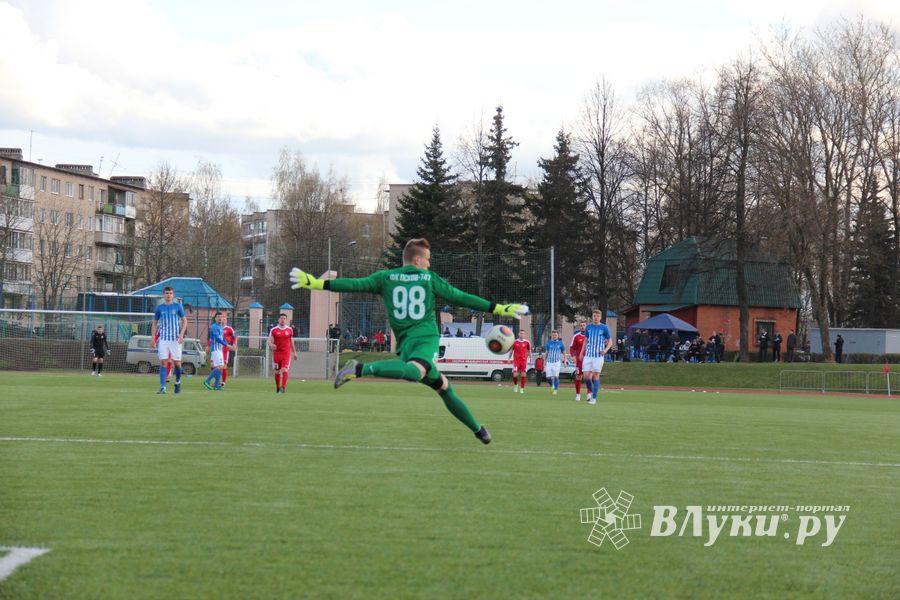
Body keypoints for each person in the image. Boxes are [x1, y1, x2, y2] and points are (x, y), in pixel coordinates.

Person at [290, 237, 527, 444]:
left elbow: (354, 283)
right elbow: (461, 297)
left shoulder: (386, 277)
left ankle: (478, 430)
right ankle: (360, 368)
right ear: (417, 261)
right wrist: (499, 308)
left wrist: (317, 283)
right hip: (425, 339)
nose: (429, 263)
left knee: (443, 386)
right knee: (416, 373)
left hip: (405, 344)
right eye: (428, 259)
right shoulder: (428, 278)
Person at [150, 286, 187, 394]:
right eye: (166, 293)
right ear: (163, 295)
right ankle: (163, 387)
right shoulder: (159, 308)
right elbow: (154, 323)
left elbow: (185, 321)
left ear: (173, 295)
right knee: (163, 363)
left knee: (177, 364)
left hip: (175, 340)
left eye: (170, 293)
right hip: (164, 340)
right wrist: (153, 338)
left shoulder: (178, 306)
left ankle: (178, 382)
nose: (168, 295)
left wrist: (181, 335)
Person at [579, 309, 613, 405]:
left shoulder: (604, 328)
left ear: (600, 317)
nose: (596, 318)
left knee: (595, 376)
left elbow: (610, 342)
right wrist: (582, 352)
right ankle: (594, 392)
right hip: (588, 355)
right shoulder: (588, 327)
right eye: (594, 316)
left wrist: (605, 350)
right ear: (592, 317)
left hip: (598, 356)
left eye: (597, 316)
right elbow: (586, 340)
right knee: (585, 376)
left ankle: (593, 398)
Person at [204, 312, 237, 390]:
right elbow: (217, 339)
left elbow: (223, 338)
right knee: (220, 367)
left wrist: (229, 345)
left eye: (221, 317)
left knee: (221, 367)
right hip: (215, 349)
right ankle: (207, 381)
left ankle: (216, 385)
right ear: (215, 318)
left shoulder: (221, 327)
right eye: (218, 317)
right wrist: (227, 345)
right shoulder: (214, 327)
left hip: (220, 350)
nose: (220, 318)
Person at [268, 313, 298, 393]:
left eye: (284, 318)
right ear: (278, 319)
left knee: (284, 370)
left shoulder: (289, 330)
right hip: (277, 354)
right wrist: (271, 344)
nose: (282, 320)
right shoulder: (273, 330)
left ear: (286, 320)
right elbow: (269, 340)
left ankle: (283, 388)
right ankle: (278, 388)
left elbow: (291, 341)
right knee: (277, 372)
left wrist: (294, 352)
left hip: (286, 353)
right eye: (281, 318)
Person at [543, 330, 568, 396]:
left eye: (556, 335)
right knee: (548, 377)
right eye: (553, 335)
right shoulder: (548, 343)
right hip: (549, 362)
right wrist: (544, 361)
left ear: (558, 336)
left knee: (556, 377)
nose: (554, 336)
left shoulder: (561, 343)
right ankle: (552, 385)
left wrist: (565, 361)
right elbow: (546, 352)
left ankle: (555, 390)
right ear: (552, 336)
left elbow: (564, 353)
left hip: (556, 362)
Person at [510, 329, 532, 394]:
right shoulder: (514, 342)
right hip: (516, 361)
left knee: (523, 375)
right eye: (520, 333)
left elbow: (529, 351)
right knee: (515, 375)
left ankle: (522, 389)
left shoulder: (527, 342)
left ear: (524, 335)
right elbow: (511, 351)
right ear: (518, 334)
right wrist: (508, 358)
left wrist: (530, 359)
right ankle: (516, 385)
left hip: (523, 361)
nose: (521, 335)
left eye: (523, 333)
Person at [570, 321, 587, 401]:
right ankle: (578, 394)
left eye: (584, 325)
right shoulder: (576, 336)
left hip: (589, 359)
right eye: (581, 325)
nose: (582, 327)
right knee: (578, 377)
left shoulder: (591, 336)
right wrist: (573, 356)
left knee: (589, 377)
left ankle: (589, 394)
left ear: (586, 326)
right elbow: (572, 347)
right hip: (579, 360)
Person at [221, 312, 237, 386]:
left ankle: (223, 382)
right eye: (222, 319)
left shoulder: (229, 329)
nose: (223, 320)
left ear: (226, 321)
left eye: (225, 319)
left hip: (225, 350)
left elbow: (234, 337)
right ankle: (216, 380)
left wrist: (233, 344)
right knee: (214, 366)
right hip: (217, 349)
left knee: (224, 366)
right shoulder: (217, 327)